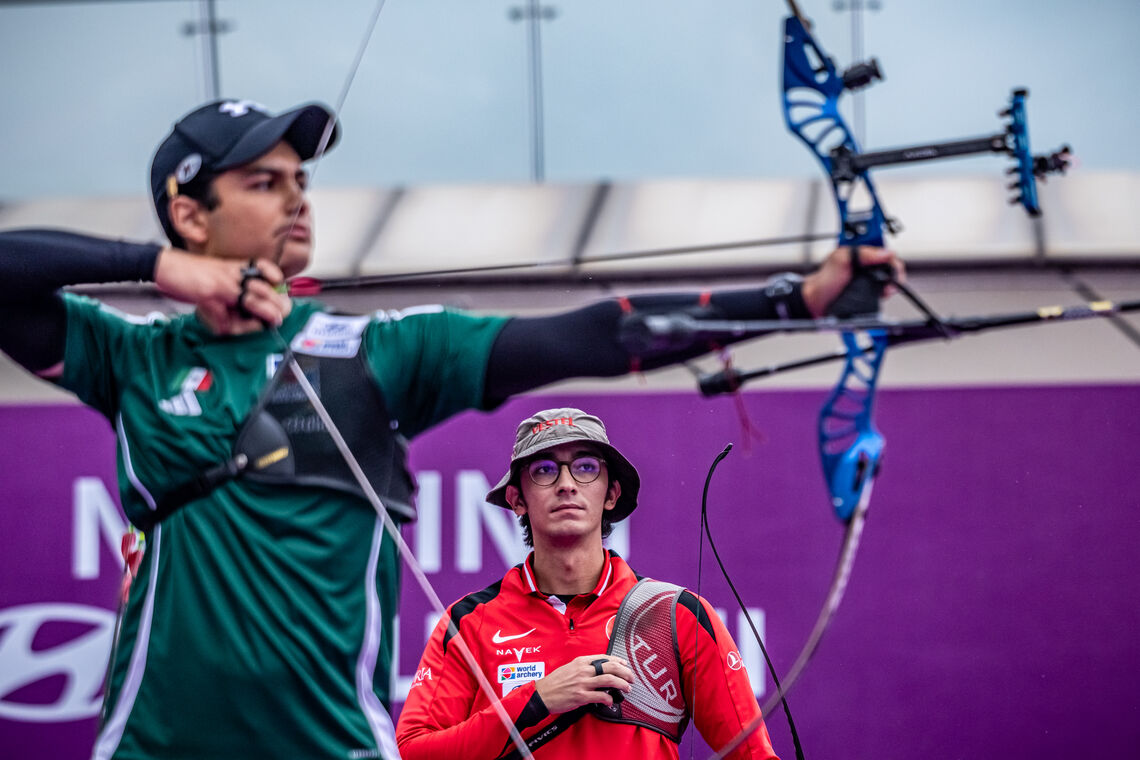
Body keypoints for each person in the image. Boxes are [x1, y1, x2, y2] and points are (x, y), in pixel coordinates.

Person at [0, 98, 900, 759]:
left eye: (303, 182)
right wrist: (161, 269)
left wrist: (799, 299)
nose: (298, 200)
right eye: (264, 183)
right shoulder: (133, 362)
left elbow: (595, 332)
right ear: (191, 212)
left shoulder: (380, 354)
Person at [395, 407, 779, 759]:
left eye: (585, 467)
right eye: (544, 470)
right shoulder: (469, 620)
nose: (566, 484)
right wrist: (537, 699)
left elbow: (753, 756)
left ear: (611, 493)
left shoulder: (675, 614)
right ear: (516, 499)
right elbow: (415, 752)